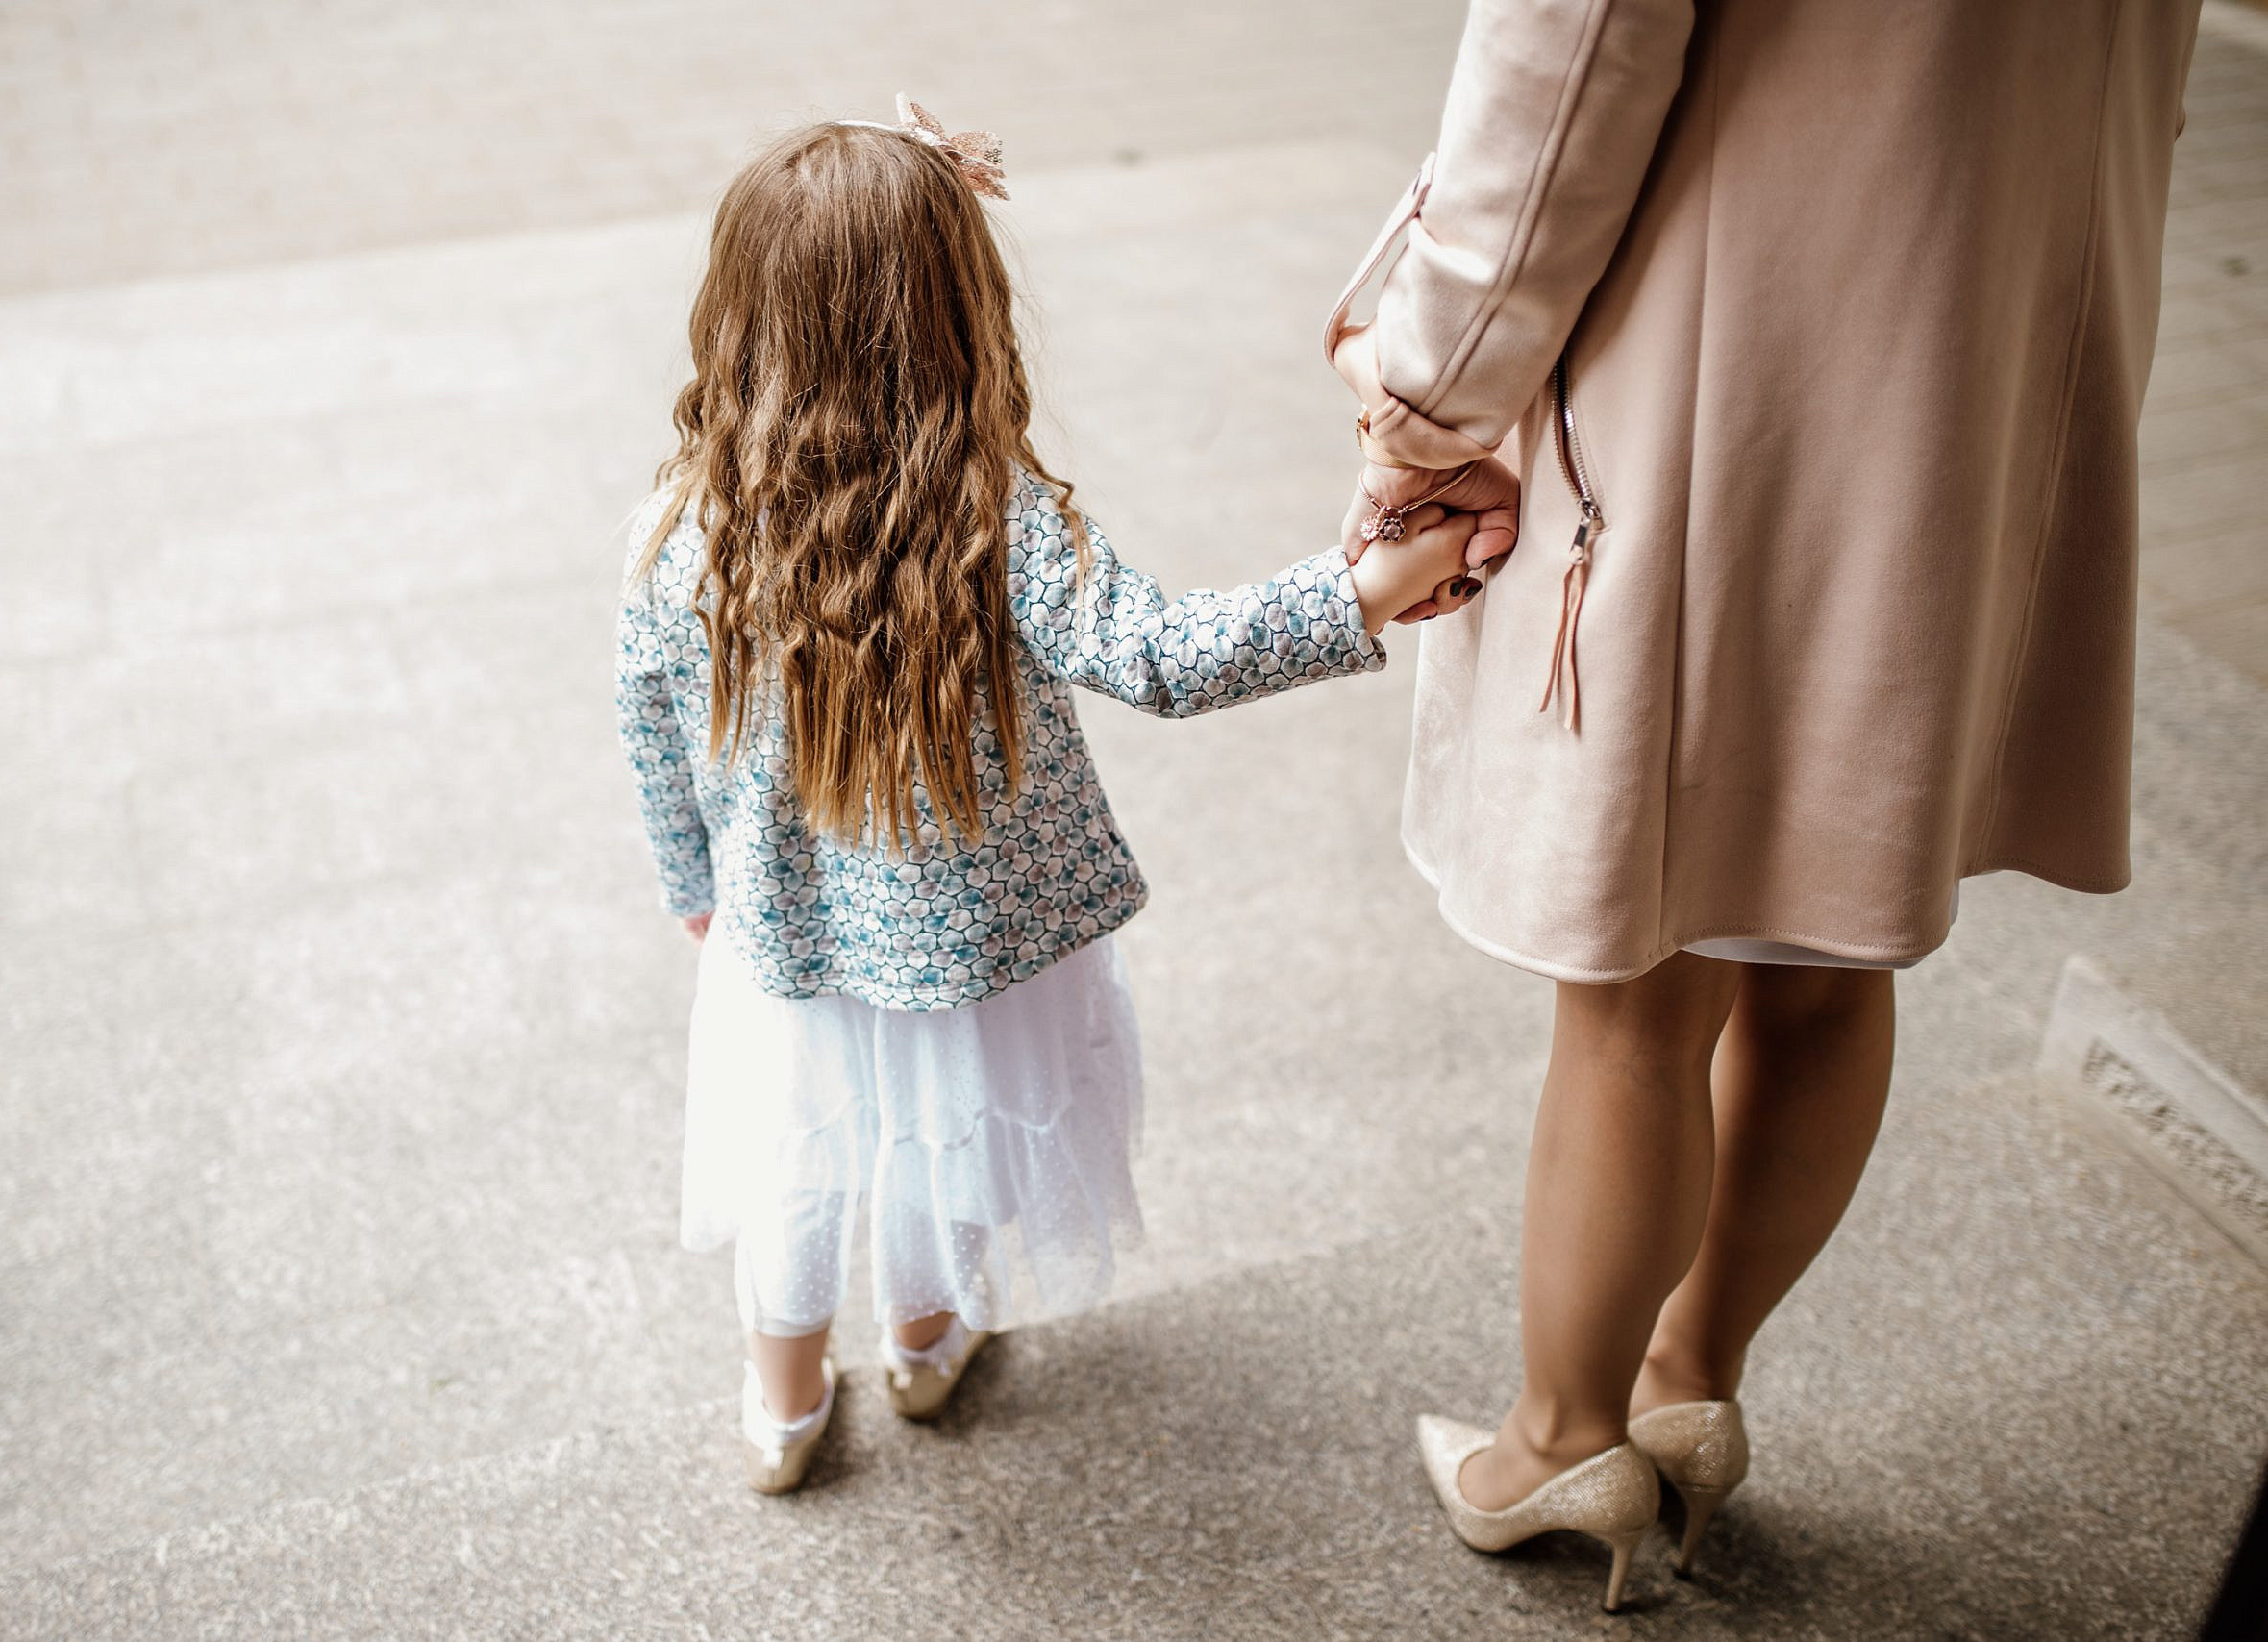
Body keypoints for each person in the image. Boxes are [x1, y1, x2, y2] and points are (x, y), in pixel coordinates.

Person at [1324, 0, 2203, 1613]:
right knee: (1827, 940)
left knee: (1641, 993)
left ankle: (1560, 1437)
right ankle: (1691, 1378)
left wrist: (1430, 385)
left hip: (1751, 351)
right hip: (2003, 341)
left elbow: (1571, 49)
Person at [615, 100, 1474, 1495]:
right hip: (969, 949)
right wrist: (1364, 591)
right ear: (957, 309)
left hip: (782, 940)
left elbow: (649, 727)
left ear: (742, 311)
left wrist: (693, 890)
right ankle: (920, 1339)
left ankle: (781, 1413)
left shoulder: (692, 521)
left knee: (799, 1164)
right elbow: (1161, 656)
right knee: (940, 1142)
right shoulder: (987, 511)